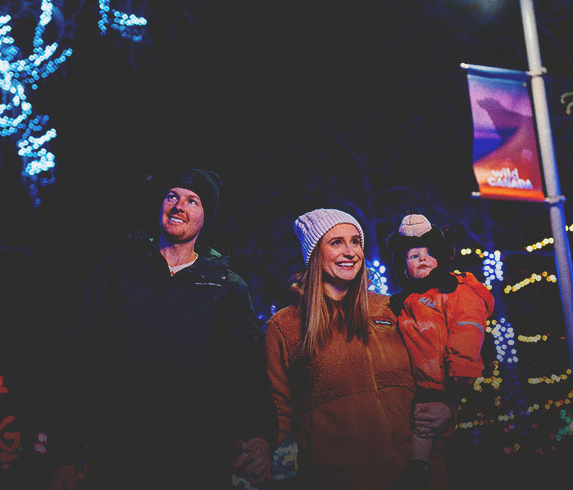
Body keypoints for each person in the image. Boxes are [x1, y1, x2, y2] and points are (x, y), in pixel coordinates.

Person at [47, 168, 277, 490]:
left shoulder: (227, 288)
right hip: (117, 458)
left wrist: (260, 436)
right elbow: (77, 361)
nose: (179, 205)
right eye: (172, 196)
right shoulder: (116, 275)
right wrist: (63, 455)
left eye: (193, 201)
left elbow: (248, 370)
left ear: (204, 218)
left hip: (198, 462)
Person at [264, 208, 454, 490]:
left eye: (356, 241)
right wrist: (256, 445)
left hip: (421, 478)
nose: (351, 251)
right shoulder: (285, 326)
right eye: (336, 242)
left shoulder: (393, 308)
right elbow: (275, 409)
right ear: (315, 254)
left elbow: (436, 372)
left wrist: (448, 408)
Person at [386, 213, 495, 490]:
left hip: (445, 379)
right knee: (421, 422)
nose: (420, 259)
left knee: (429, 422)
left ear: (439, 258)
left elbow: (467, 330)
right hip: (418, 382)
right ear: (403, 267)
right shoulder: (406, 301)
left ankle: (423, 467)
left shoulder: (457, 292)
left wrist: (459, 376)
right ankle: (419, 466)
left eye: (425, 254)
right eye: (412, 257)